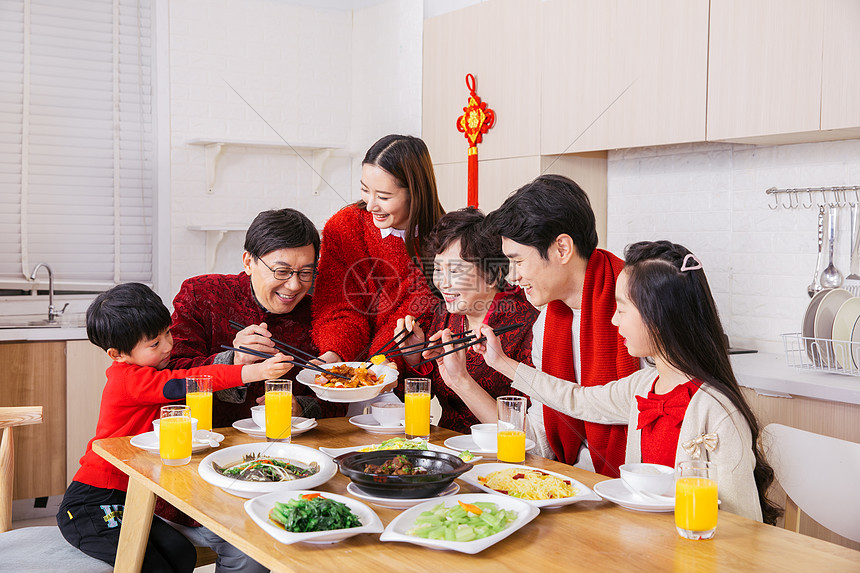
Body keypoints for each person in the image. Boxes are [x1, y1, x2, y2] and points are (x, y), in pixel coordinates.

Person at [478, 241, 781, 523]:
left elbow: (744, 523)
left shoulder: (716, 410)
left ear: (659, 317)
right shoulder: (643, 386)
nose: (613, 321)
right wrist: (501, 362)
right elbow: (577, 399)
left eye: (621, 309)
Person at [57, 283, 291, 571]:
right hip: (92, 502)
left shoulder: (152, 370)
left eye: (168, 333)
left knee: (182, 554)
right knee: (153, 565)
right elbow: (189, 380)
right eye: (155, 344)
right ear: (117, 354)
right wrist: (253, 371)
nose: (168, 346)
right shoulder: (128, 379)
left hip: (133, 497)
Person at [483, 174, 639, 477]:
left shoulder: (635, 307)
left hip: (631, 488)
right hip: (574, 481)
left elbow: (639, 414)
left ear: (562, 249)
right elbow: (542, 437)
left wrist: (506, 366)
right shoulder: (548, 324)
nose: (511, 277)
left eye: (518, 261)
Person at [170, 208, 344, 428]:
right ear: (248, 262)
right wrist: (234, 362)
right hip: (210, 442)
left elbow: (340, 397)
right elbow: (171, 377)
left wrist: (301, 408)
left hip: (291, 447)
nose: (294, 285)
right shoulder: (202, 295)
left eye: (306, 273)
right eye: (281, 271)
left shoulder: (319, 312)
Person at [393, 208, 538, 433]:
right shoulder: (446, 313)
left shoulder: (527, 323)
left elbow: (522, 431)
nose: (443, 283)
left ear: (492, 274)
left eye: (456, 271)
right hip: (449, 446)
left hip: (504, 455)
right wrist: (414, 358)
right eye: (438, 269)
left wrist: (462, 381)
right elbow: (422, 394)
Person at [312, 134, 445, 373]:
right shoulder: (344, 227)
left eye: (383, 197)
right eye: (365, 190)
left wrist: (381, 368)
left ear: (414, 193)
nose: (371, 205)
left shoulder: (444, 242)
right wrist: (335, 353)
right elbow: (336, 305)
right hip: (342, 376)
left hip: (404, 382)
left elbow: (421, 320)